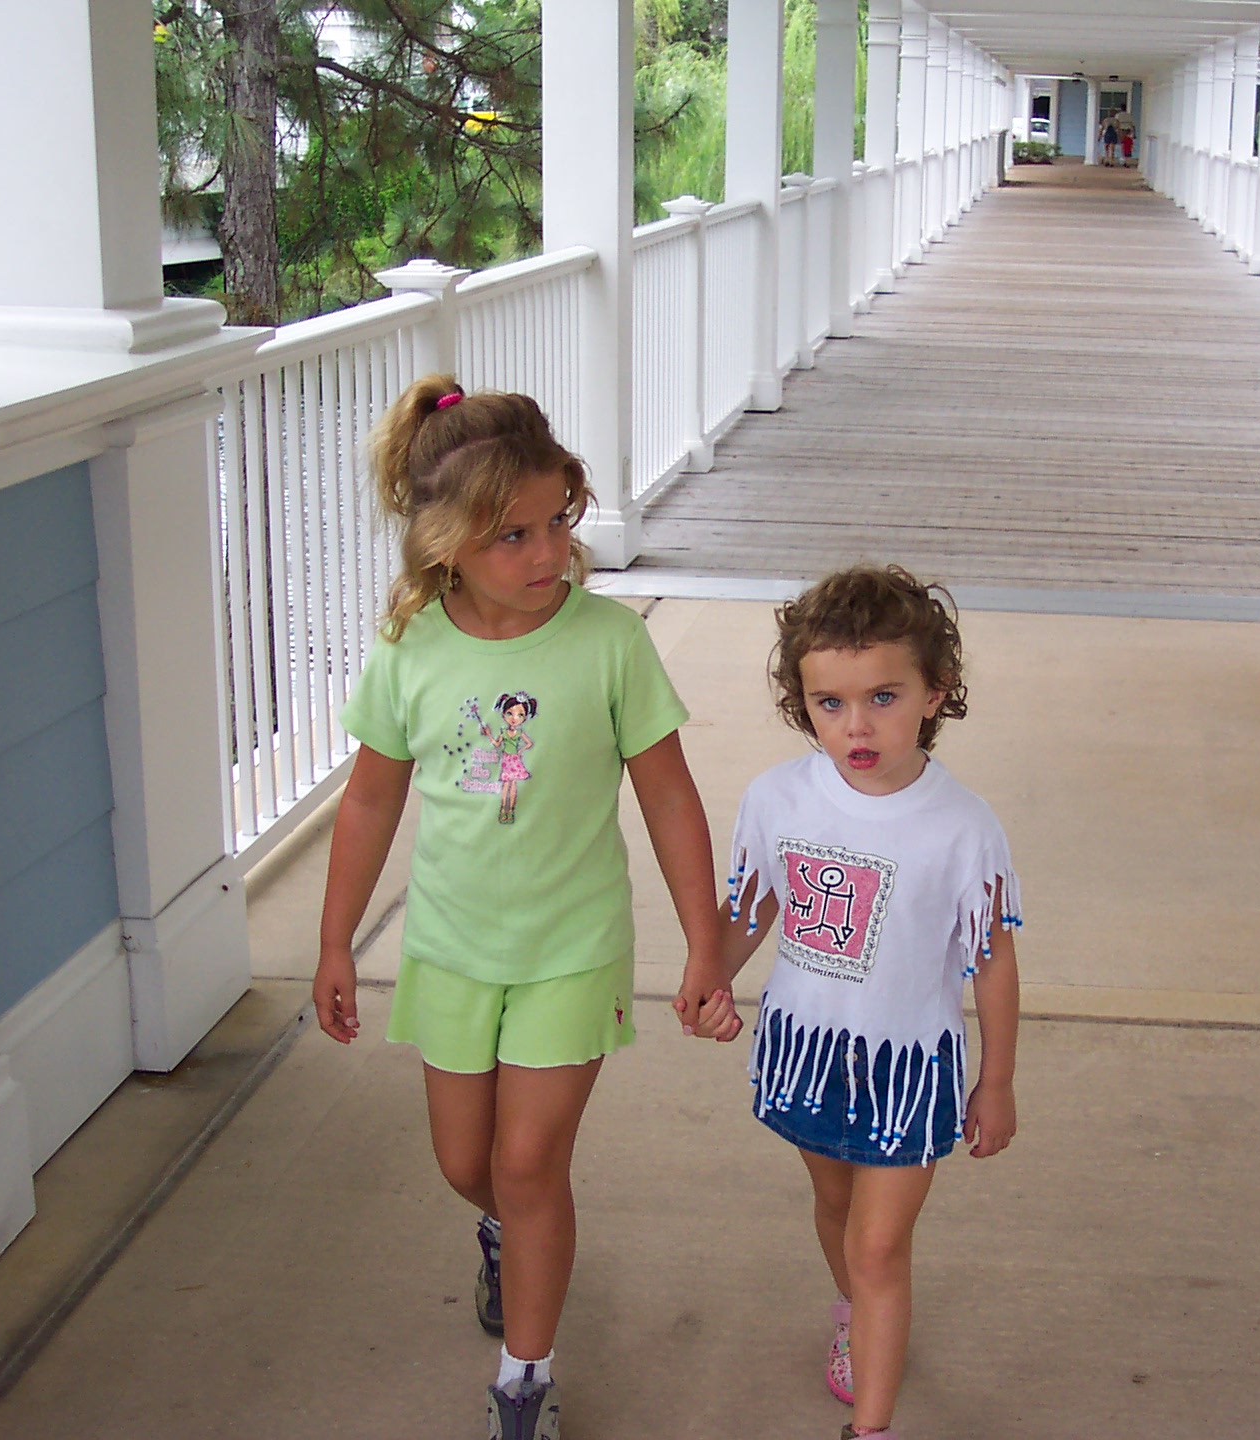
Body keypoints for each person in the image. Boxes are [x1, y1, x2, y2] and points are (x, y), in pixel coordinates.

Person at [313, 374, 722, 1440]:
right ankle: (504, 1230)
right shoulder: (412, 650)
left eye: (557, 523)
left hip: (571, 948)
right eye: (512, 537)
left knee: (532, 1162)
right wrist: (334, 944)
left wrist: (703, 942)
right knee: (472, 1167)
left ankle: (524, 1380)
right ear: (444, 543)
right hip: (449, 947)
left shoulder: (607, 646)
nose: (548, 556)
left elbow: (669, 796)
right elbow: (368, 801)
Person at [676, 566, 1022, 1440]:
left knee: (879, 1245)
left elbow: (993, 960)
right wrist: (706, 980)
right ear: (802, 702)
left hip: (908, 1069)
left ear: (935, 692)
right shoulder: (778, 798)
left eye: (883, 696)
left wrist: (999, 1081)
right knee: (836, 1210)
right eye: (829, 703)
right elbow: (750, 912)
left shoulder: (962, 825)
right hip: (809, 1053)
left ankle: (871, 1426)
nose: (856, 725)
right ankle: (852, 1313)